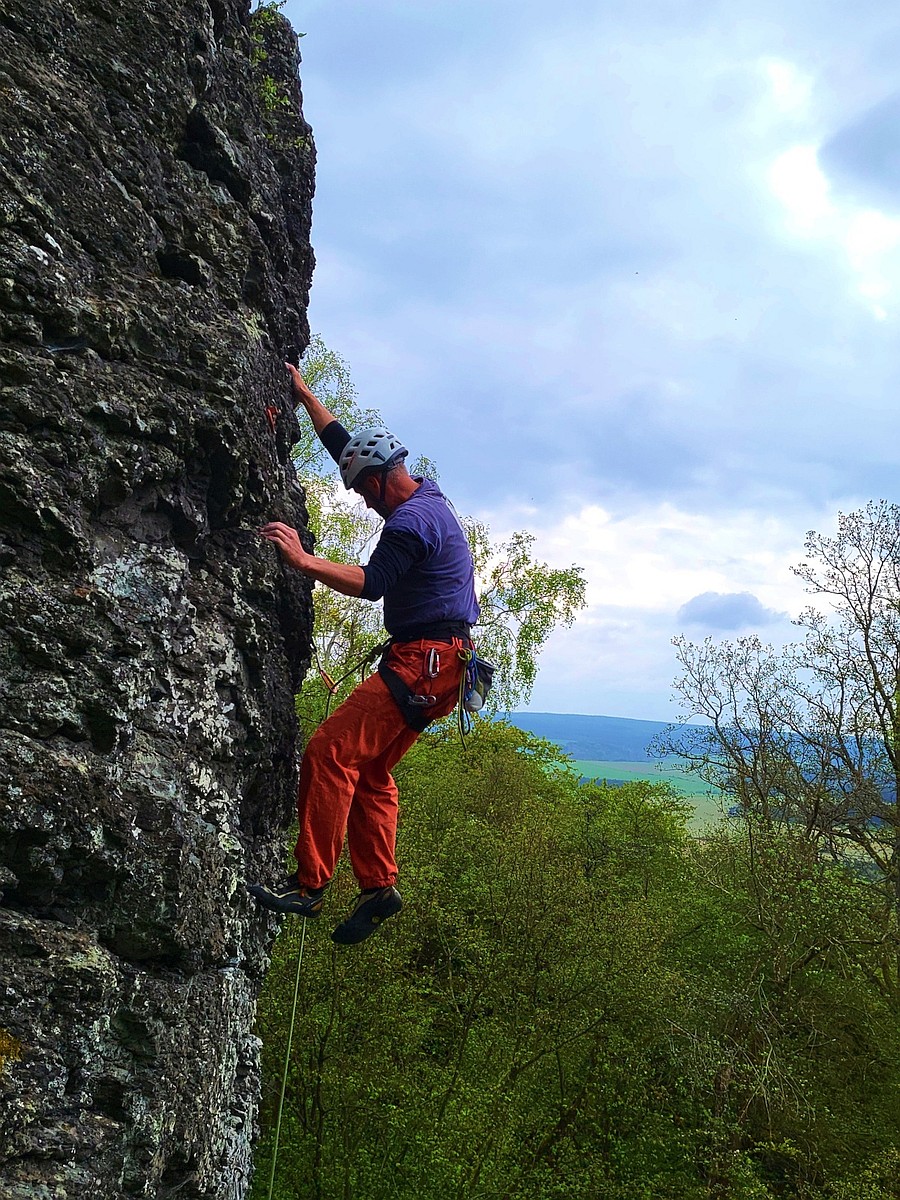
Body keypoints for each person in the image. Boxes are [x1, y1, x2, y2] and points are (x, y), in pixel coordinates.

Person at [248, 362, 479, 945]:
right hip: (442, 670)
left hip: (420, 666)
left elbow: (373, 581)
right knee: (370, 770)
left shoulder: (409, 524)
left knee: (328, 752)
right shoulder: (426, 493)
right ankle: (378, 888)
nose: (364, 503)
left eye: (362, 493)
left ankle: (309, 886)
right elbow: (350, 449)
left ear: (380, 482)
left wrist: (303, 561)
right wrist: (306, 398)